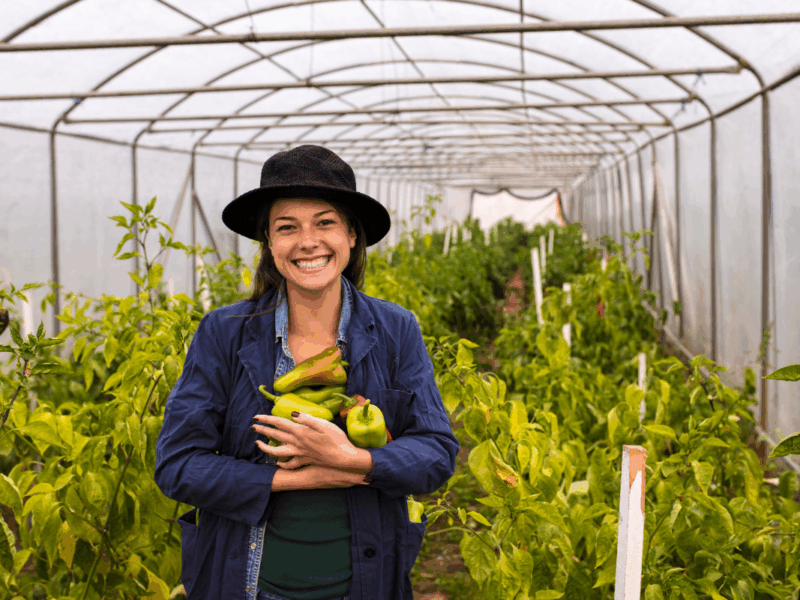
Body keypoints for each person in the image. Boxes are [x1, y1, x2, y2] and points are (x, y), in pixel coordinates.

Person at [155, 145, 460, 600]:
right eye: (286, 227)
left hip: (363, 584)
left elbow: (437, 453)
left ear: (352, 235)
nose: (307, 241)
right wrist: (301, 478)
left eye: (325, 222)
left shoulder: (396, 329)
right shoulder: (224, 333)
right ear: (269, 243)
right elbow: (178, 465)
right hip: (249, 584)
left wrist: (353, 460)